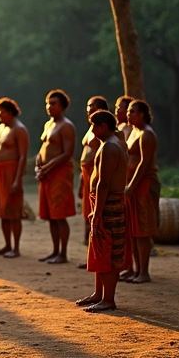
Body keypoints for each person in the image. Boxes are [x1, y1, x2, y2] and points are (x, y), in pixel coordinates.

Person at [75, 110, 130, 313]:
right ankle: (99, 294)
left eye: (93, 126)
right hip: (104, 203)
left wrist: (97, 213)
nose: (92, 130)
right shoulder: (113, 143)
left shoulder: (110, 147)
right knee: (100, 248)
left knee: (108, 248)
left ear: (103, 126)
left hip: (109, 204)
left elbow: (104, 183)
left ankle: (108, 299)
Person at [35, 90, 77, 264]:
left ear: (63, 106)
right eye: (48, 103)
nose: (49, 107)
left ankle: (63, 253)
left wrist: (47, 166)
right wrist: (38, 164)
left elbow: (67, 153)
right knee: (50, 216)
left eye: (53, 103)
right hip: (46, 173)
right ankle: (54, 250)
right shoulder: (48, 125)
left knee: (60, 214)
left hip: (59, 173)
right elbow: (43, 148)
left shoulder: (66, 126)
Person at [123, 99, 160, 284]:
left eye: (132, 112)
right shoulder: (133, 132)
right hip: (133, 184)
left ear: (142, 115)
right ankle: (135, 270)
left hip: (143, 185)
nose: (128, 115)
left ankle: (144, 272)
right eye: (128, 111)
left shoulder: (147, 134)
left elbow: (144, 165)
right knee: (133, 230)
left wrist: (132, 186)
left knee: (143, 230)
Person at [0, 98, 28, 258]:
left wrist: (17, 180)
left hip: (11, 172)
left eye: (1, 111)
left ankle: (16, 248)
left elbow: (22, 156)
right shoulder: (1, 128)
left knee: (13, 210)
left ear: (10, 112)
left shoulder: (19, 130)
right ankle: (7, 245)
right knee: (2, 210)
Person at [78, 96, 110, 252]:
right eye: (88, 106)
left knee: (95, 214)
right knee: (86, 214)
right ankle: (89, 252)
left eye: (92, 107)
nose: (88, 109)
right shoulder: (91, 129)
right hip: (86, 173)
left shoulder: (104, 131)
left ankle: (97, 252)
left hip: (95, 173)